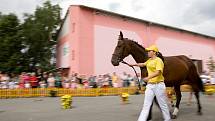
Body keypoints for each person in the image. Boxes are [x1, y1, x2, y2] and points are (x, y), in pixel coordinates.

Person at [129, 45, 171, 121]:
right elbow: (143, 64)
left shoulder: (159, 60)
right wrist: (133, 64)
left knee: (163, 105)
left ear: (154, 52)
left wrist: (148, 78)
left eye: (149, 51)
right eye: (147, 51)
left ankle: (167, 119)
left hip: (159, 85)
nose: (147, 52)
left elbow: (158, 72)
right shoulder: (149, 60)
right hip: (150, 86)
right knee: (146, 105)